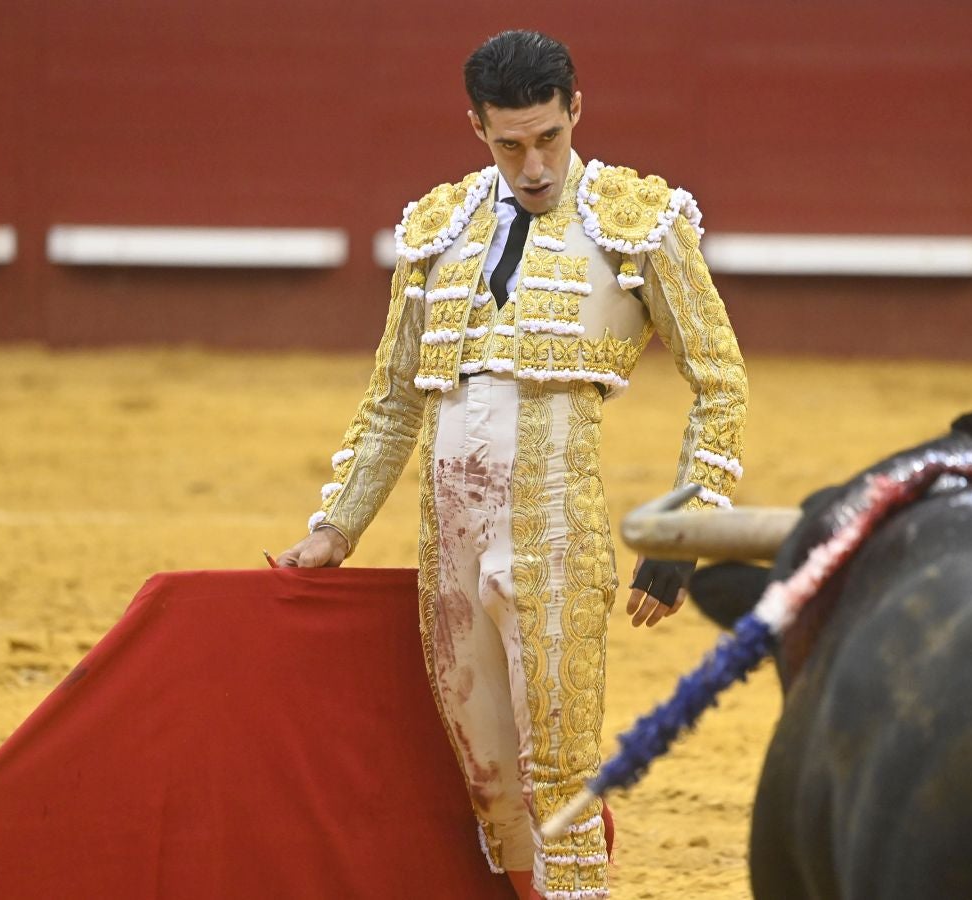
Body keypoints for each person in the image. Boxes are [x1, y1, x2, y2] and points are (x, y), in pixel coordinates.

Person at [278, 30, 748, 900]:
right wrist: (335, 527)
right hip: (449, 551)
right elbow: (393, 399)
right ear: (476, 128)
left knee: (560, 786)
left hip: (554, 543)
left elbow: (718, 381)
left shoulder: (638, 221)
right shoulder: (439, 227)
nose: (533, 167)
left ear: (576, 111)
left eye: (548, 138)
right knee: (490, 788)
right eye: (510, 145)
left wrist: (687, 526)